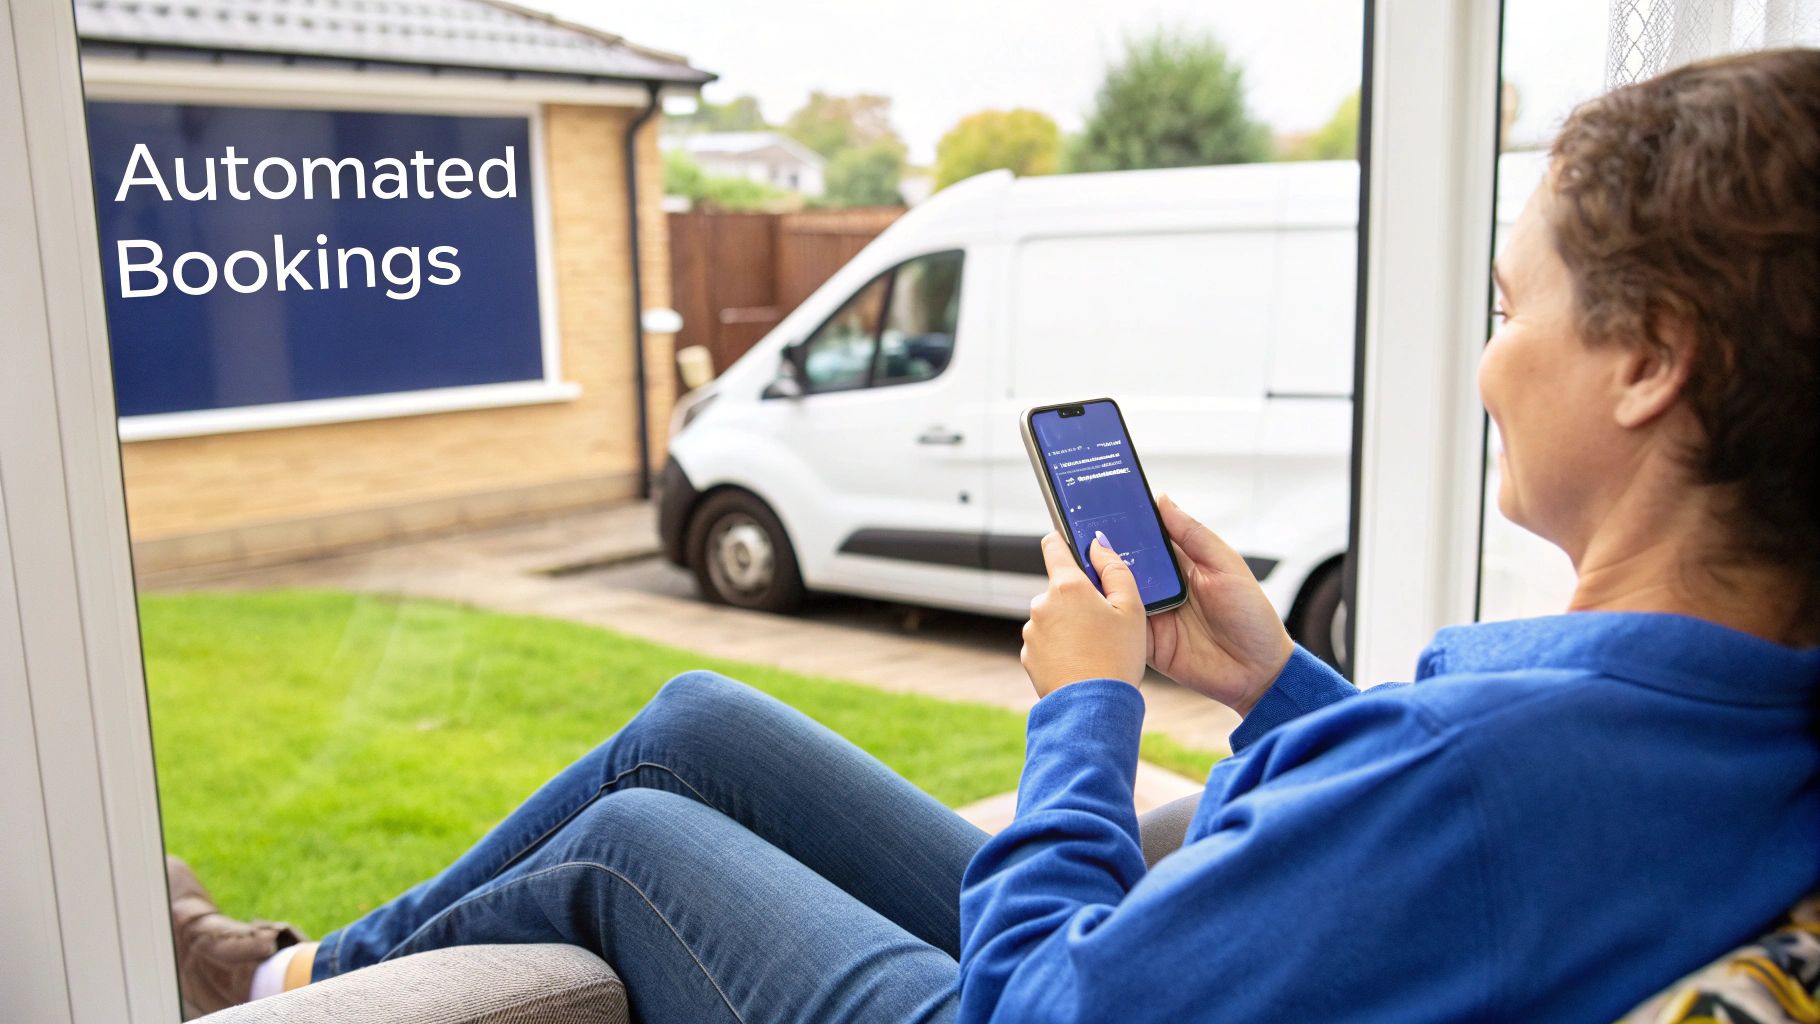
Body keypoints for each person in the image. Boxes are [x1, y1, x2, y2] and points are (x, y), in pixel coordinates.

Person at [168, 49, 1820, 1023]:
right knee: (695, 724)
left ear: (1650, 359)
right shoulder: (1742, 722)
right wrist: (1273, 686)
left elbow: (1043, 1005)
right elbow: (1441, 881)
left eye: (1509, 306)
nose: (1486, 361)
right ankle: (291, 977)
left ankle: (251, 997)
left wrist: (1086, 712)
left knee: (634, 846)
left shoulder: (1482, 772)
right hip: (1150, 967)